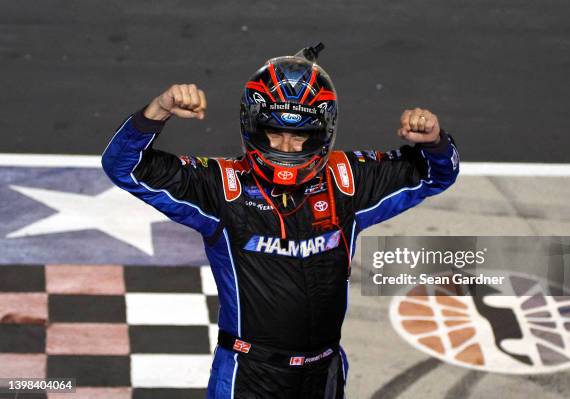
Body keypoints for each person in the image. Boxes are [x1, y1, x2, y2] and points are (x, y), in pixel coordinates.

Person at [102, 44, 459, 399]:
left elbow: (436, 175)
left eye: (301, 136)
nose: (287, 147)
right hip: (248, 377)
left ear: (322, 133)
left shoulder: (347, 181)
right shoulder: (222, 187)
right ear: (252, 127)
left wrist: (434, 142)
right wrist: (158, 111)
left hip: (324, 374)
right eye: (274, 133)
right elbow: (122, 165)